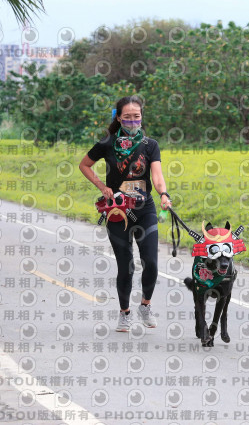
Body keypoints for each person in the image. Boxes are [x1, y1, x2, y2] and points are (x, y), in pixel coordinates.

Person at [79, 95, 172, 332]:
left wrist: (163, 194)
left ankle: (145, 305)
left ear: (142, 118)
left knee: (150, 262)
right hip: (117, 212)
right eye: (127, 117)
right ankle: (124, 313)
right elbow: (84, 165)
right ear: (118, 118)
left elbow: (157, 175)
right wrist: (102, 187)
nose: (132, 122)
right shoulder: (107, 143)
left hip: (145, 210)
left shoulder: (150, 145)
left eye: (136, 117)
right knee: (126, 265)